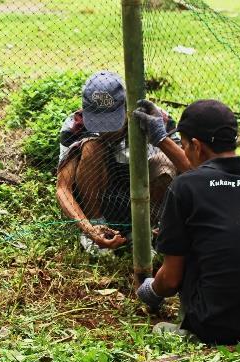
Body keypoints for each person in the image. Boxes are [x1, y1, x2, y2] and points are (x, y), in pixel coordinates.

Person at [132, 98, 240, 344]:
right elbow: (208, 178)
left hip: (219, 326)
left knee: (190, 248)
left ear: (196, 146)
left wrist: (148, 292)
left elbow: (170, 281)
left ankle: (191, 330)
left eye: (184, 144)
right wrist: (162, 139)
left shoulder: (185, 188)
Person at [56, 71, 183, 254]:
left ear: (127, 107)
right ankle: (99, 226)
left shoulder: (156, 119)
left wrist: (172, 222)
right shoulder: (76, 124)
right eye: (98, 122)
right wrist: (89, 229)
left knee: (165, 162)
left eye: (111, 121)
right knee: (92, 147)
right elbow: (63, 188)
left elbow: (187, 169)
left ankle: (143, 231)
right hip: (98, 195)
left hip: (146, 193)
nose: (105, 130)